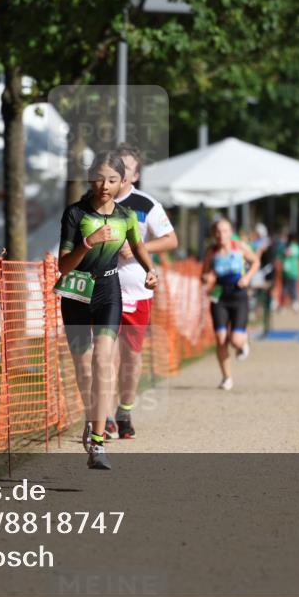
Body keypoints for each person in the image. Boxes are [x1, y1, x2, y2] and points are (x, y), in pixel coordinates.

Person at [56, 151, 158, 470]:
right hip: (75, 291)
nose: (105, 185)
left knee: (103, 362)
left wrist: (149, 269)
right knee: (84, 368)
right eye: (99, 178)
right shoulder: (75, 214)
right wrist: (88, 243)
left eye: (112, 180)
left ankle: (98, 443)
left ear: (121, 182)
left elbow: (138, 244)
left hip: (108, 291)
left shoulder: (126, 215)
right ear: (90, 178)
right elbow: (63, 265)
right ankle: (92, 419)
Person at [107, 143, 178, 440]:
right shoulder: (96, 202)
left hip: (137, 293)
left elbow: (171, 240)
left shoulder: (146, 205)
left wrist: (137, 248)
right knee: (105, 355)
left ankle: (125, 410)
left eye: (127, 168)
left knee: (131, 358)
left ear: (135, 175)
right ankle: (105, 417)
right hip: (105, 291)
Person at [201, 218, 258, 391]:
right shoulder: (211, 252)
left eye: (225, 231)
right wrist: (207, 278)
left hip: (239, 295)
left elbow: (255, 261)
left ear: (230, 232)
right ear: (213, 234)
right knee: (220, 339)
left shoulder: (239, 247)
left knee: (235, 340)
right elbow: (203, 274)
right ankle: (227, 378)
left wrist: (247, 278)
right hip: (220, 296)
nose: (221, 235)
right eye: (217, 231)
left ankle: (242, 342)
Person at [279, 231, 299, 312]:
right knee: (285, 289)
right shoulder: (284, 246)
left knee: (292, 289)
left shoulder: (294, 247)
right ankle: (283, 305)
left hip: (293, 272)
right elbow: (282, 254)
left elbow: (289, 254)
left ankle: (294, 303)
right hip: (287, 272)